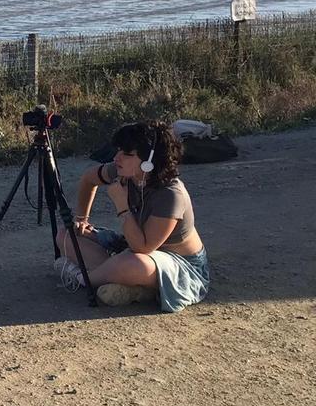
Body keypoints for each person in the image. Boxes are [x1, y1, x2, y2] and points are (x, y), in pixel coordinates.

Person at [56, 120, 210, 311]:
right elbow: (88, 179)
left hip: (180, 264)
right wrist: (81, 219)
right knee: (65, 235)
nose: (117, 158)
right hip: (132, 247)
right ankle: (129, 284)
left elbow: (142, 248)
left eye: (127, 154)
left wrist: (122, 206)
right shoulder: (124, 171)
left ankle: (83, 278)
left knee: (133, 263)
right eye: (119, 150)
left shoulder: (171, 194)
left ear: (148, 162)